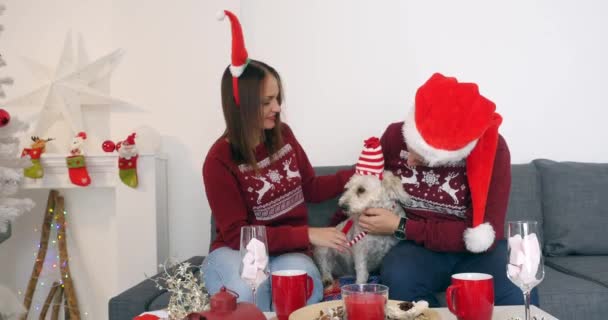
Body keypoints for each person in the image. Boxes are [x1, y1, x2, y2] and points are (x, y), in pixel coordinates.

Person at [201, 10, 353, 311]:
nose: (277, 107)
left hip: (289, 253)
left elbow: (311, 188)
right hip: (237, 251)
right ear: (241, 105)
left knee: (302, 287)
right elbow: (238, 236)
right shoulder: (219, 160)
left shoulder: (283, 135)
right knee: (248, 291)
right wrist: (307, 233)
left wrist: (358, 171)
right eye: (267, 102)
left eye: (278, 98)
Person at [353, 73, 539, 306]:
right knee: (398, 275)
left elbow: (485, 234)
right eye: (409, 148)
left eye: (420, 158)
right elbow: (362, 183)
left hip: (477, 253)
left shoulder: (494, 151)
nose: (408, 161)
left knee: (518, 280)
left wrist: (401, 226)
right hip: (418, 249)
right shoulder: (393, 136)